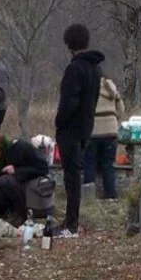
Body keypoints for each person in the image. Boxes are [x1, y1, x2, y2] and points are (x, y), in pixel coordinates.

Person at [54, 24, 104, 238]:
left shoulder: (75, 69)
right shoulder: (95, 68)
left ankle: (71, 223)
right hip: (86, 128)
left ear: (69, 44)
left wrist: (59, 121)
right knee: (75, 177)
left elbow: (69, 102)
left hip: (71, 130)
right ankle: (71, 220)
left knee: (71, 179)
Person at [81, 69, 125, 199]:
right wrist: (112, 119)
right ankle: (111, 196)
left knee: (89, 163)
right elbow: (121, 109)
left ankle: (88, 197)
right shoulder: (110, 87)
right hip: (110, 132)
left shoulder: (87, 87)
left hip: (92, 131)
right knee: (108, 165)